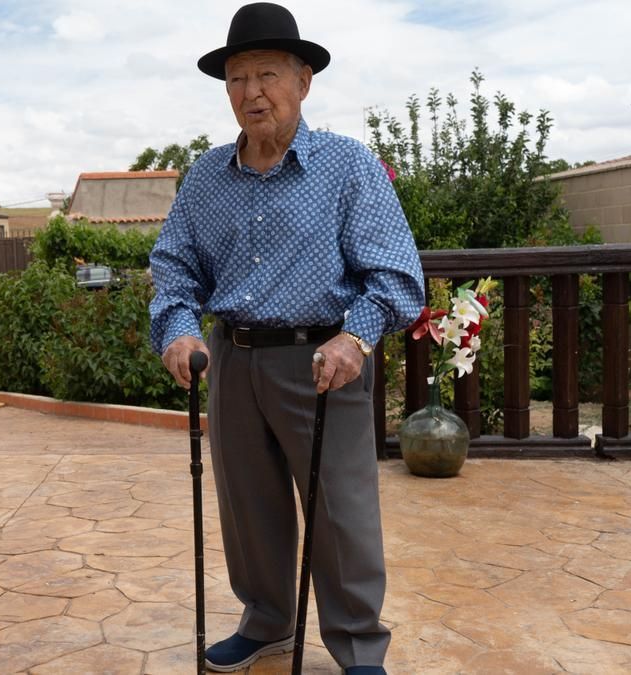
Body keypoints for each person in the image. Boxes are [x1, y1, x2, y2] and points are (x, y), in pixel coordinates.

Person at [148, 3, 425, 673]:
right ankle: (267, 619)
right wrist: (179, 332)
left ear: (303, 81)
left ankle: (358, 645)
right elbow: (173, 268)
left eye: (267, 75)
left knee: (341, 512)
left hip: (322, 362)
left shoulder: (347, 167)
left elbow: (396, 275)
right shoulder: (205, 177)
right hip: (234, 360)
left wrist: (353, 341)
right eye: (237, 79)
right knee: (249, 505)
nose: (251, 93)